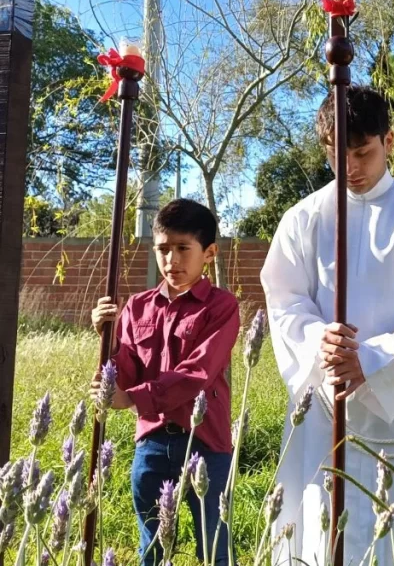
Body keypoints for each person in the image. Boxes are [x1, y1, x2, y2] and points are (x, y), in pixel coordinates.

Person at [260, 86, 394, 565]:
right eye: (335, 153)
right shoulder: (302, 220)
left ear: (389, 140)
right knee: (323, 534)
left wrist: (368, 358)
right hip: (326, 402)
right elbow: (284, 299)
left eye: (362, 152)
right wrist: (317, 339)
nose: (349, 166)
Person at [90, 199, 239, 566]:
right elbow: (123, 369)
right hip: (152, 443)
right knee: (152, 546)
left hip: (206, 440)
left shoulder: (221, 307)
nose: (171, 260)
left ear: (209, 253)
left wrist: (134, 398)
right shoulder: (136, 307)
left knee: (214, 546)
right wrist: (105, 338)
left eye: (182, 249)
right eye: (162, 249)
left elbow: (198, 372)